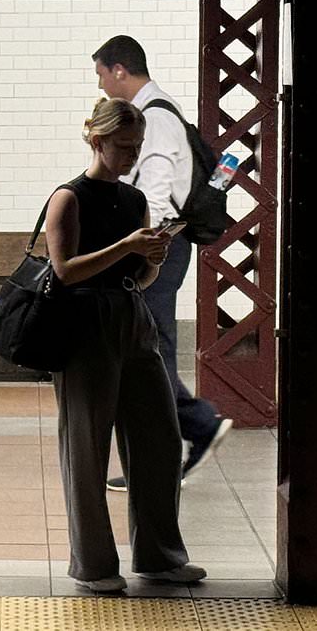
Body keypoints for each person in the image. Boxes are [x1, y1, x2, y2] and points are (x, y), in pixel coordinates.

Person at [44, 97, 206, 592]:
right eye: (122, 147)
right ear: (97, 139)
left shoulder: (133, 201)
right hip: (85, 324)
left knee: (156, 438)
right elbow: (65, 271)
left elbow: (140, 272)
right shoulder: (69, 198)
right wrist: (128, 246)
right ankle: (94, 565)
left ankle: (159, 555)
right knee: (87, 449)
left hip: (132, 318)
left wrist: (152, 255)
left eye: (136, 148)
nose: (130, 157)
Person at [92, 35, 234, 492]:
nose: (100, 84)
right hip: (158, 244)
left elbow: (152, 189)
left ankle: (194, 429)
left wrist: (139, 246)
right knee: (146, 349)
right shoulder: (155, 114)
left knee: (149, 352)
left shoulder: (155, 119)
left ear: (119, 70)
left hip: (158, 245)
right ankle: (159, 455)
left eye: (101, 74)